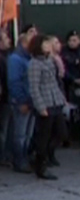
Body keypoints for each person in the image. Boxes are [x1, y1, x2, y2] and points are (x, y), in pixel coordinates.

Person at [28, 35, 67, 180]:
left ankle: (44, 155)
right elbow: (34, 88)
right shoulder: (34, 64)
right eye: (45, 44)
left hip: (55, 100)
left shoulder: (49, 61)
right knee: (43, 136)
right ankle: (40, 165)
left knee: (61, 132)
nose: (48, 46)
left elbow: (55, 82)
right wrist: (40, 106)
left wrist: (62, 99)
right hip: (45, 103)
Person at [8, 34, 34, 174]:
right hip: (22, 100)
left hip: (31, 100)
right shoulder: (16, 59)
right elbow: (14, 81)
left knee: (28, 134)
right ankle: (19, 160)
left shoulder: (29, 57)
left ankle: (25, 157)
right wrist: (20, 100)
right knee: (20, 134)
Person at [0, 30, 13, 166]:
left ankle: (7, 153)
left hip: (10, 96)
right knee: (2, 129)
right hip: (2, 97)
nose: (9, 41)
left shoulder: (9, 56)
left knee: (10, 128)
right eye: (5, 39)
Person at [61, 31, 80, 101]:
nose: (71, 43)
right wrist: (74, 79)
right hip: (69, 84)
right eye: (70, 40)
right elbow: (64, 69)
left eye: (74, 40)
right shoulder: (64, 52)